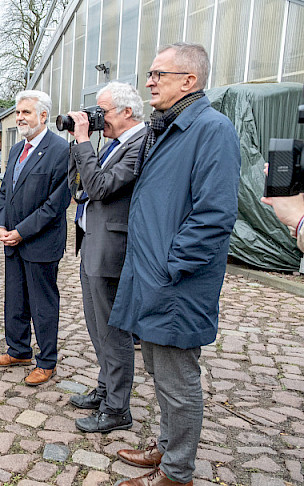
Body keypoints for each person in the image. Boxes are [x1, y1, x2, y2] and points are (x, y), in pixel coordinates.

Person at [111, 43, 240, 486]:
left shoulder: (211, 129)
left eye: (158, 74)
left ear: (189, 80)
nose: (149, 82)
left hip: (175, 283)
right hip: (151, 276)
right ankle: (166, 449)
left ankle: (177, 473)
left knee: (178, 381)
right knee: (159, 373)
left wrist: (171, 267)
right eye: (150, 74)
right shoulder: (167, 127)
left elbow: (215, 214)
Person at [66, 82, 147, 433]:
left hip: (112, 250)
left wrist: (84, 141)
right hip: (94, 245)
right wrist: (78, 144)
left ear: (127, 112)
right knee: (97, 327)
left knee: (113, 332)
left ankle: (117, 408)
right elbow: (84, 186)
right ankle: (105, 389)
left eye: (103, 112)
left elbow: (100, 188)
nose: (98, 119)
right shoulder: (115, 144)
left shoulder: (140, 144)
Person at [0, 90, 71, 386]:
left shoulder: (60, 150)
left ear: (43, 116)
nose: (20, 118)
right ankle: (18, 350)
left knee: (42, 304)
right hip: (12, 241)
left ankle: (46, 361)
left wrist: (21, 232)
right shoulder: (15, 150)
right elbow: (6, 192)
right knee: (15, 300)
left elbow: (55, 204)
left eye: (25, 113)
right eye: (18, 112)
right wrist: (0, 225)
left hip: (40, 243)